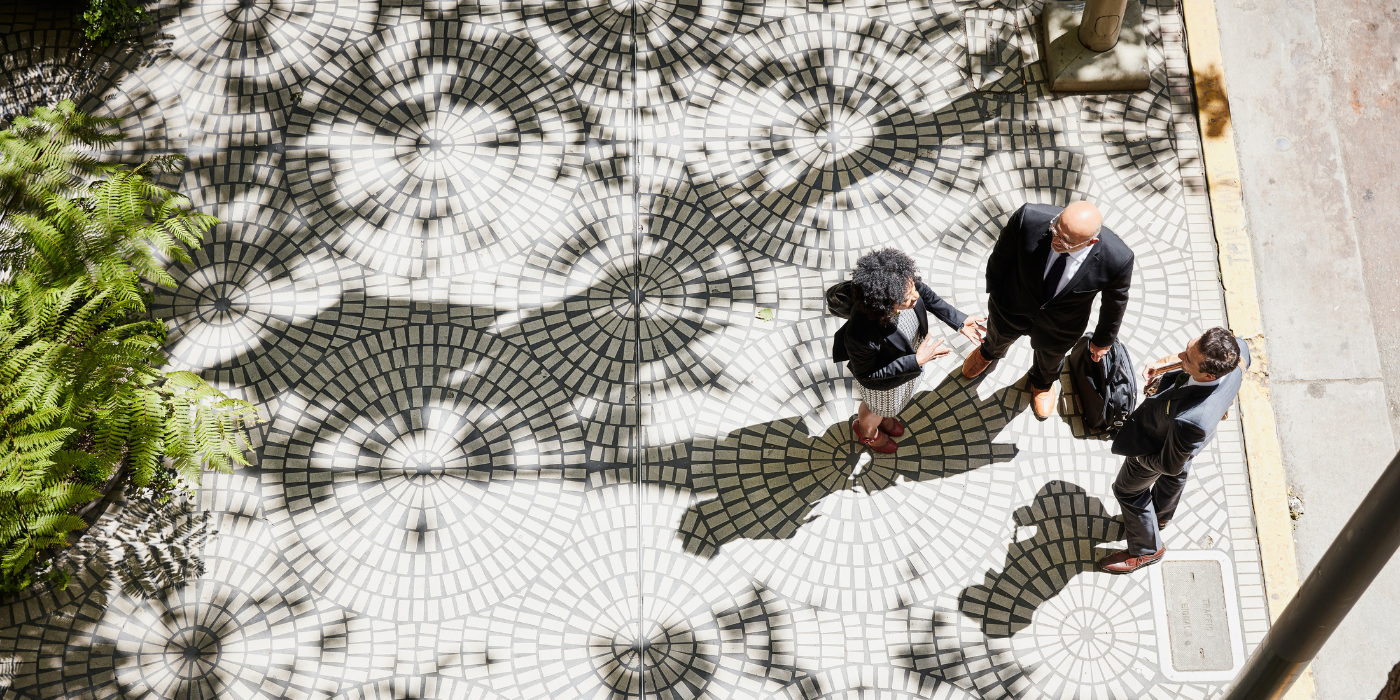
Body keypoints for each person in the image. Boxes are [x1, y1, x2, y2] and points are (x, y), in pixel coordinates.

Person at [961, 201, 1134, 419]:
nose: (1056, 240)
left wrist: (1102, 341)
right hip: (1012, 305)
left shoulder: (1118, 259)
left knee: (1051, 359)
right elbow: (1000, 256)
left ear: (1092, 242)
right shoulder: (1028, 217)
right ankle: (988, 353)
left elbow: (1115, 303)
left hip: (1062, 325)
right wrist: (995, 292)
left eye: (1067, 241)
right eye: (1056, 229)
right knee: (997, 336)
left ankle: (1042, 382)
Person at [1098, 328, 1249, 573]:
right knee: (1179, 471)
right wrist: (1163, 366)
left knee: (1127, 491)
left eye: (1187, 360)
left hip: (1159, 443)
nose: (1180, 357)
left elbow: (1168, 464)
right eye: (1188, 348)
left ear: (1209, 374)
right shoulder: (1237, 349)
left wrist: (1138, 457)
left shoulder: (1193, 420)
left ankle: (1147, 549)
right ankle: (1159, 517)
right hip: (1189, 440)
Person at [833, 249, 985, 453]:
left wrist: (959, 320)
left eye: (913, 288)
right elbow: (868, 375)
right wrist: (916, 361)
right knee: (875, 408)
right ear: (884, 303)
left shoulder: (902, 284)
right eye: (907, 298)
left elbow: (928, 296)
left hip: (908, 361)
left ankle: (885, 417)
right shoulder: (861, 333)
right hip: (883, 382)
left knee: (890, 407)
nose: (915, 296)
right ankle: (867, 432)